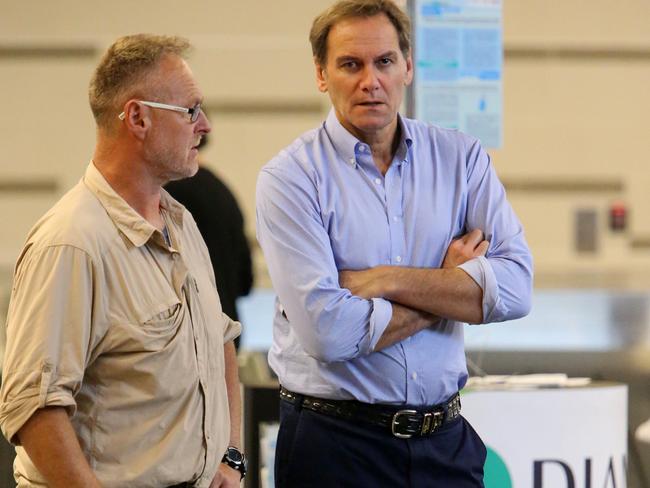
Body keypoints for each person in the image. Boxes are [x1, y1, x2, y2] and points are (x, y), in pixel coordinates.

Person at [255, 1, 533, 486]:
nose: (371, 80)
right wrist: (447, 290)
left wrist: (387, 280)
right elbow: (329, 334)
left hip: (444, 441)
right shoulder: (291, 179)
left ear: (407, 65)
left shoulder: (460, 159)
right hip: (334, 445)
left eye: (384, 61)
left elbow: (516, 289)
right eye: (350, 64)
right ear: (321, 74)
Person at [0, 35, 247, 488]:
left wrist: (231, 458)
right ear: (138, 118)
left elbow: (220, 341)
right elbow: (33, 408)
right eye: (190, 111)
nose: (205, 125)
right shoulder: (71, 242)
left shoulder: (181, 223)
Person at [165, 136, 253, 346]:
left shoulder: (166, 198)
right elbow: (245, 282)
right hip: (227, 333)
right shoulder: (224, 193)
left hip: (188, 338)